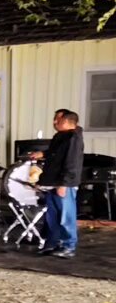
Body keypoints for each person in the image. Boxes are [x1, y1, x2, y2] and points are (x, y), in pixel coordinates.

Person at [32, 109, 85, 258]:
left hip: (63, 184)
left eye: (57, 120)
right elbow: (55, 154)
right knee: (52, 217)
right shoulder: (60, 137)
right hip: (52, 183)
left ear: (67, 121)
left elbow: (71, 163)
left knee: (66, 216)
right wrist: (42, 154)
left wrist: (64, 184)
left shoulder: (74, 138)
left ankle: (69, 246)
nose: (54, 122)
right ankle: (53, 243)